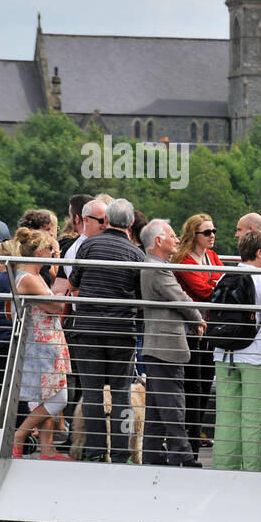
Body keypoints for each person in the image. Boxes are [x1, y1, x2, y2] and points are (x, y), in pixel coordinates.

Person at [66, 198, 144, 464]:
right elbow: (141, 296)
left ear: (107, 220)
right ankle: (122, 452)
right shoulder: (136, 254)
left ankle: (97, 451)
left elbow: (73, 284)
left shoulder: (88, 245)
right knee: (121, 393)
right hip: (121, 332)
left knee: (92, 393)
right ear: (131, 223)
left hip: (87, 330)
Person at [213, 231, 261, 472]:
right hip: (254, 353)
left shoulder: (226, 273)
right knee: (255, 414)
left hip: (224, 353)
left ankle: (226, 464)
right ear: (259, 252)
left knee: (227, 413)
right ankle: (258, 467)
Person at [140, 219, 204, 467]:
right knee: (173, 404)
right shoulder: (158, 268)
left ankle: (153, 455)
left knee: (157, 408)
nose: (177, 240)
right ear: (158, 241)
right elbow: (179, 297)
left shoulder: (154, 265)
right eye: (173, 236)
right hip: (166, 347)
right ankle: (183, 454)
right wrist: (198, 318)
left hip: (158, 346)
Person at [171, 214, 224, 461]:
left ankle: (195, 438)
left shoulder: (212, 257)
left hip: (209, 330)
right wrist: (214, 281)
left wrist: (212, 280)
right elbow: (204, 290)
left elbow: (221, 285)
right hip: (191, 331)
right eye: (207, 232)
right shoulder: (183, 259)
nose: (212, 235)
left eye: (213, 231)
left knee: (205, 388)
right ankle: (188, 445)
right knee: (193, 387)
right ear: (194, 234)